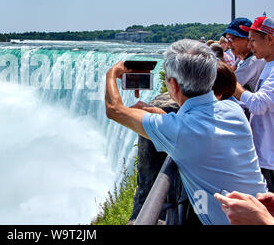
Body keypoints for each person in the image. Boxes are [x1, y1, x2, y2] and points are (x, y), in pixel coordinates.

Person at [105, 39, 267, 225]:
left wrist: (112, 73)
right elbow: (197, 126)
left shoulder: (180, 131)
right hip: (263, 212)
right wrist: (159, 114)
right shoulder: (234, 110)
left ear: (173, 85)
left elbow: (114, 109)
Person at [233, 16, 274, 192]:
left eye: (253, 41)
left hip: (270, 157)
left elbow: (259, 104)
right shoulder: (267, 64)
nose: (250, 46)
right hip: (265, 153)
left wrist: (231, 85)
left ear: (270, 39)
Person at [224, 17, 266, 93]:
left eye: (232, 39)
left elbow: (227, 88)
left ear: (248, 40)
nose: (228, 43)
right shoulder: (242, 58)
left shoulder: (252, 61)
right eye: (227, 39)